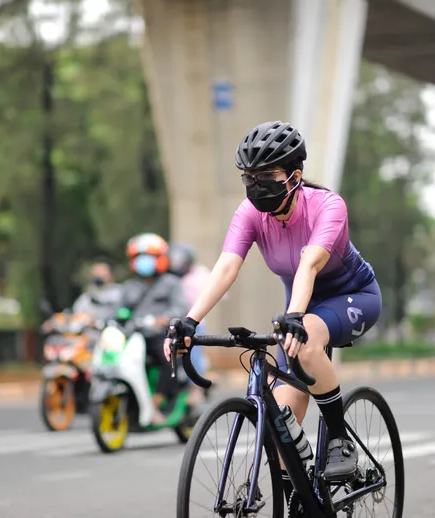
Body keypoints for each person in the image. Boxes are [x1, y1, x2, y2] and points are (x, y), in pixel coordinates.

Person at [163, 121, 382, 491]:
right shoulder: (250, 213)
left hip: (351, 297)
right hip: (298, 305)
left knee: (308, 334)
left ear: (295, 176)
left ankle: (340, 439)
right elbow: (226, 267)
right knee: (282, 421)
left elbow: (310, 263)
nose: (256, 186)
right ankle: (300, 495)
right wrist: (190, 320)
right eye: (249, 178)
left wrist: (295, 316)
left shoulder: (327, 205)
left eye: (266, 176)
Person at [121, 232, 189, 425]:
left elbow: (180, 308)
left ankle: (158, 401)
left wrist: (164, 319)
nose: (144, 262)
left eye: (149, 257)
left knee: (168, 357)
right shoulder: (129, 286)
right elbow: (118, 310)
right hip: (134, 337)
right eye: (139, 258)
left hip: (160, 336)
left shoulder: (171, 284)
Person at [168, 241, 211, 404]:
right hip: (174, 320)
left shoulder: (200, 275)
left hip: (194, 322)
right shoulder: (170, 279)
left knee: (193, 350)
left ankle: (195, 389)